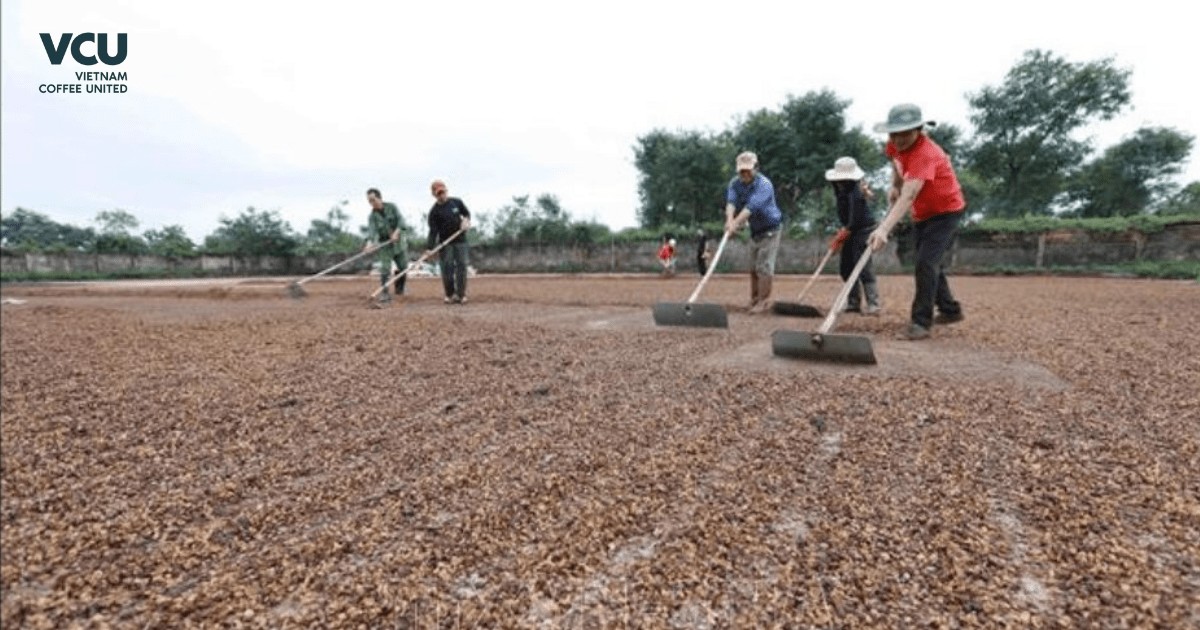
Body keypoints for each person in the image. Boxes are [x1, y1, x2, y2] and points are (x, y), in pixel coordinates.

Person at [867, 104, 966, 340]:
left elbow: (909, 195)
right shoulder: (894, 144)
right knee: (928, 261)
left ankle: (921, 323)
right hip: (922, 213)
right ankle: (950, 310)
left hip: (945, 212)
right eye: (894, 133)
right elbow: (896, 161)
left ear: (919, 130)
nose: (899, 139)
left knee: (925, 262)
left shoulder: (926, 154)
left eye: (905, 133)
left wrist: (883, 230)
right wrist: (894, 184)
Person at [725, 151, 783, 314]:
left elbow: (751, 208)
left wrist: (736, 223)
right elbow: (731, 203)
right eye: (741, 170)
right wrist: (729, 221)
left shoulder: (764, 185)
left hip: (771, 229)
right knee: (752, 266)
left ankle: (764, 302)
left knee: (763, 266)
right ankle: (754, 299)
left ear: (756, 168)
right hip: (755, 230)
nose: (744, 173)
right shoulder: (735, 184)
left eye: (748, 170)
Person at [825, 157, 881, 315]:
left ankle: (874, 304)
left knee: (863, 267)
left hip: (863, 230)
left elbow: (855, 218)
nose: (840, 181)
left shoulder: (856, 192)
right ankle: (853, 302)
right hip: (850, 229)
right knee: (846, 268)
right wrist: (843, 232)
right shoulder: (839, 188)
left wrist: (843, 234)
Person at [425, 179, 472, 304]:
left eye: (443, 192)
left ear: (446, 191)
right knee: (447, 268)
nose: (442, 195)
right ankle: (450, 294)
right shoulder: (434, 212)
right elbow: (433, 232)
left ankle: (461, 295)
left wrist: (465, 221)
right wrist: (429, 248)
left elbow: (466, 214)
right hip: (445, 244)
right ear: (434, 195)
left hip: (461, 241)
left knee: (462, 266)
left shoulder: (456, 202)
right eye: (438, 193)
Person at [365, 188, 407, 304]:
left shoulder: (392, 207)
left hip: (398, 242)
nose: (371, 203)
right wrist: (369, 244)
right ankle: (385, 293)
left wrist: (396, 233)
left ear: (379, 198)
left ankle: (399, 288)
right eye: (369, 201)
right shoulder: (372, 216)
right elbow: (372, 231)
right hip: (385, 244)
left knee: (403, 267)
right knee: (385, 268)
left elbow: (401, 221)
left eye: (373, 200)